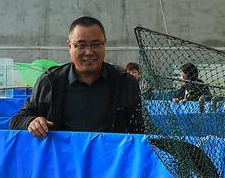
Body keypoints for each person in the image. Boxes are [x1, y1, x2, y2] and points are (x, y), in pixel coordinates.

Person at [9, 16, 142, 137]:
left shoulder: (125, 83)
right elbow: (17, 120)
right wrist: (31, 121)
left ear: (105, 43)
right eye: (81, 45)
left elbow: (141, 130)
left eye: (96, 44)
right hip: (62, 161)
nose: (89, 52)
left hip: (112, 161)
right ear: (69, 46)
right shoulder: (49, 83)